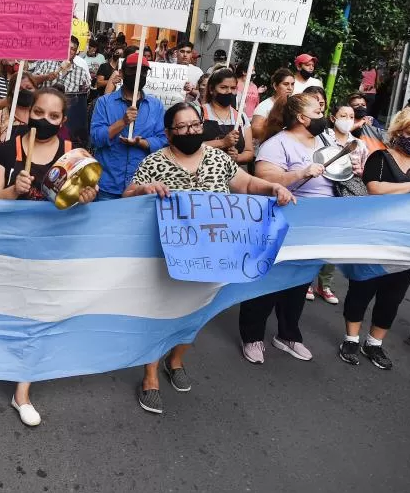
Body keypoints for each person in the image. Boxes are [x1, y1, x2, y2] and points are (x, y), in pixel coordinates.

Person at [123, 102, 294, 413]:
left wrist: (272, 188)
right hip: (168, 258)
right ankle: (150, 376)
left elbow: (247, 184)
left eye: (195, 125)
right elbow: (127, 196)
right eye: (182, 127)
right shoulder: (152, 163)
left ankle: (175, 361)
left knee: (197, 312)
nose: (190, 131)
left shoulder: (218, 159)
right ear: (168, 133)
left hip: (214, 257)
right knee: (160, 312)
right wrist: (143, 190)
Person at [0, 87, 96, 426]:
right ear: (29, 112)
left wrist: (87, 196)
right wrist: (11, 191)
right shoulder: (8, 149)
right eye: (39, 113)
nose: (44, 120)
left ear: (62, 121)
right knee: (10, 311)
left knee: (40, 316)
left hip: (55, 249)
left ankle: (22, 391)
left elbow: (85, 197)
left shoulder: (75, 153)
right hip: (11, 249)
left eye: (53, 116)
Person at [338, 107, 410, 369]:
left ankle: (374, 343)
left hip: (409, 244)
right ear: (399, 132)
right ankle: (350, 339)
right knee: (362, 288)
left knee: (392, 295)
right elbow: (375, 189)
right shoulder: (381, 159)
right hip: (375, 238)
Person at [241, 93, 334, 364]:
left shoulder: (326, 142)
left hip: (316, 226)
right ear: (302, 118)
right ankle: (252, 335)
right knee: (268, 279)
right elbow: (265, 179)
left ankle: (288, 334)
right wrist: (301, 173)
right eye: (317, 112)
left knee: (299, 281)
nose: (322, 115)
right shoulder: (276, 144)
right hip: (283, 222)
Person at [307, 102, 370, 304]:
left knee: (333, 242)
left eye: (351, 116)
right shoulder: (321, 139)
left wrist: (359, 171)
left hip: (345, 197)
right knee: (314, 237)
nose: (347, 120)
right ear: (333, 118)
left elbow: (365, 173)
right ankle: (305, 281)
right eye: (343, 115)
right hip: (322, 194)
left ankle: (324, 284)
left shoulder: (359, 144)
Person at [90, 52, 167, 200]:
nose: (139, 75)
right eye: (133, 71)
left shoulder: (155, 106)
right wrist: (122, 122)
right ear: (121, 73)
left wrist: (142, 143)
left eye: (143, 72)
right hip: (108, 184)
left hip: (141, 187)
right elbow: (95, 139)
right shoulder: (104, 103)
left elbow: (163, 141)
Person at [29, 36, 91, 146]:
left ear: (76, 52)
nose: (70, 51)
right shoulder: (47, 63)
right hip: (45, 116)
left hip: (67, 120)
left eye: (73, 49)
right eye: (68, 47)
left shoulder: (81, 72)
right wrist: (46, 77)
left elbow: (83, 96)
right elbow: (32, 81)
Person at [200, 68, 254, 166]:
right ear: (212, 89)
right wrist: (222, 143)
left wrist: (238, 157)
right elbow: (190, 147)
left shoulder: (241, 117)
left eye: (233, 88)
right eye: (223, 87)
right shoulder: (198, 114)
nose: (229, 92)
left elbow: (249, 152)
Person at [251, 68, 295, 143]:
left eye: (292, 84)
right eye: (285, 84)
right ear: (275, 86)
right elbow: (255, 131)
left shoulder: (294, 105)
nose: (290, 88)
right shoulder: (265, 106)